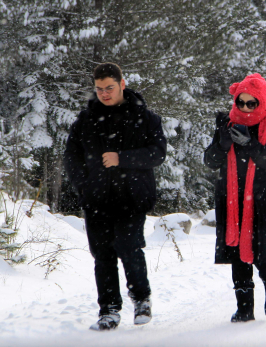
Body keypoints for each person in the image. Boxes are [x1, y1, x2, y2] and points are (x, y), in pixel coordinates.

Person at [64, 63, 167, 331]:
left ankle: (141, 299)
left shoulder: (146, 118)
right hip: (96, 198)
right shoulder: (86, 120)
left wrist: (122, 158)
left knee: (129, 247)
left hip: (132, 196)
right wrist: (83, 185)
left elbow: (157, 154)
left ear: (122, 84)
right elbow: (71, 156)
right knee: (103, 255)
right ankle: (109, 310)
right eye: (99, 89)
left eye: (109, 87)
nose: (104, 94)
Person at [203, 73, 266, 323]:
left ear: (263, 101)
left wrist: (251, 145)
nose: (245, 108)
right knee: (237, 255)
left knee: (264, 254)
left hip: (265, 201)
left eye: (252, 103)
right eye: (240, 102)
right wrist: (222, 144)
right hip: (232, 201)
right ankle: (244, 308)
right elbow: (210, 161)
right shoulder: (226, 123)